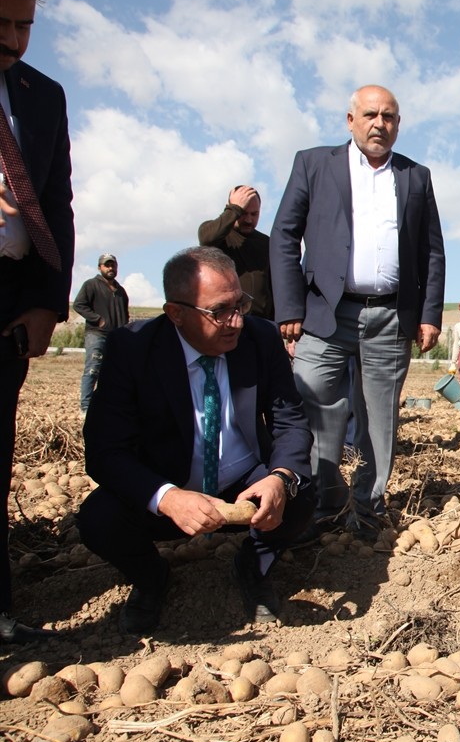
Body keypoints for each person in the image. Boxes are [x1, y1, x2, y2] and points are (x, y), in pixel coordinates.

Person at [77, 248, 314, 635]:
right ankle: (153, 577)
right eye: (219, 311)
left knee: (301, 491)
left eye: (240, 304)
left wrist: (280, 477)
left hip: (244, 487)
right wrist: (167, 497)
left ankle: (253, 565)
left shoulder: (260, 338)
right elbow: (105, 450)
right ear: (176, 313)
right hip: (167, 487)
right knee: (98, 519)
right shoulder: (132, 349)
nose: (236, 321)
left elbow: (291, 421)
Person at [270, 84, 445, 535]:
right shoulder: (313, 164)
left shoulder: (415, 176)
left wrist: (428, 314)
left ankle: (367, 507)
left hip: (390, 316)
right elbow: (285, 235)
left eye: (389, 117)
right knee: (317, 405)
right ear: (350, 120)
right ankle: (323, 501)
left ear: (398, 125)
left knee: (380, 416)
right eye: (370, 114)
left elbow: (431, 252)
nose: (379, 124)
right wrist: (289, 304)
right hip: (324, 312)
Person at [0, 0, 74, 644]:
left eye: (25, 25)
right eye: (2, 25)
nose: (16, 41)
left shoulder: (42, 97)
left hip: (10, 299)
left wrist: (48, 302)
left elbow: (54, 203)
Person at [198, 185, 274, 319]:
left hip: (262, 323)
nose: (249, 220)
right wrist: (234, 209)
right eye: (243, 212)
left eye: (254, 214)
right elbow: (207, 238)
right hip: (226, 320)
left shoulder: (266, 243)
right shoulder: (218, 236)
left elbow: (273, 285)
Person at [73, 253, 129, 414]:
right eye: (107, 265)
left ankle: (107, 406)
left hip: (117, 337)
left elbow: (125, 314)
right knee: (93, 369)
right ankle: (86, 407)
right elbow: (79, 305)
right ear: (100, 267)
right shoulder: (91, 285)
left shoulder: (121, 291)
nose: (111, 268)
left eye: (113, 265)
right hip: (97, 334)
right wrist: (98, 319)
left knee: (114, 372)